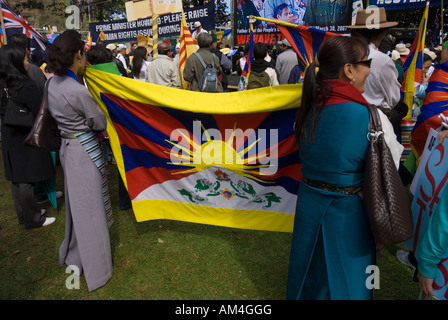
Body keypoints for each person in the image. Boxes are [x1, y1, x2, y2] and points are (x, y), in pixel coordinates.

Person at [287, 35, 378, 300]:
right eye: (367, 62)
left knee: (308, 278)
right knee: (353, 284)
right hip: (349, 217)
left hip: (309, 208)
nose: (370, 70)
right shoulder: (367, 115)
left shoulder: (309, 107)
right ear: (349, 70)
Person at [47, 30, 113, 292]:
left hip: (68, 149)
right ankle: (98, 270)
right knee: (91, 212)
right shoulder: (77, 91)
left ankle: (74, 255)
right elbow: (98, 123)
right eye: (83, 53)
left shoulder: (51, 83)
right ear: (78, 55)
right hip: (84, 151)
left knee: (78, 207)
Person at [0, 45, 56, 229]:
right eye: (25, 59)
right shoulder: (24, 85)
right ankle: (33, 219)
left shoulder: (4, 83)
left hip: (9, 134)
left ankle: (24, 215)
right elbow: (41, 109)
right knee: (26, 178)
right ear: (16, 62)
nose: (28, 62)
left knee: (17, 178)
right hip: (26, 134)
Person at [7, 33, 63, 205]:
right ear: (26, 50)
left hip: (16, 130)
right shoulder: (29, 72)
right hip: (32, 126)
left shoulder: (8, 73)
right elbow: (41, 100)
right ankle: (39, 196)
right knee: (33, 167)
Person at [347, 8, 403, 141]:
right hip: (375, 125)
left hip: (346, 118)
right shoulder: (382, 60)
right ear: (381, 34)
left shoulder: (343, 53)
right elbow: (393, 99)